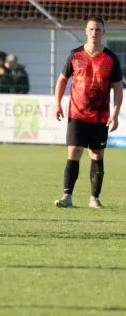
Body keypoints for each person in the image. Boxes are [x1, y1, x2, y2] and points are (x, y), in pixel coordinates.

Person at [54, 16, 123, 209]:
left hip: (100, 116)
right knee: (74, 152)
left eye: (98, 30)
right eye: (91, 29)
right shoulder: (74, 55)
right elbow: (62, 80)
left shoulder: (110, 59)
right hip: (77, 114)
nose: (94, 33)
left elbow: (118, 88)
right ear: (86, 31)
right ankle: (67, 197)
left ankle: (94, 198)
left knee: (97, 154)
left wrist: (115, 113)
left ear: (103, 33)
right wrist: (57, 104)